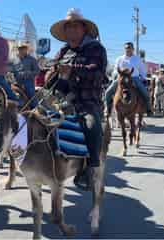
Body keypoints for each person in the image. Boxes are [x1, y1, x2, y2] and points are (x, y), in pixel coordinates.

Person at [46, 8, 107, 191]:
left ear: (83, 29)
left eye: (75, 26)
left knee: (91, 125)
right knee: (32, 119)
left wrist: (73, 69)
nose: (72, 30)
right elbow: (51, 78)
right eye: (68, 27)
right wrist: (52, 72)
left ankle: (90, 168)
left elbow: (97, 72)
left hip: (86, 101)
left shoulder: (95, 48)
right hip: (60, 99)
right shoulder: (63, 51)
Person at [105, 42, 152, 116]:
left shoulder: (137, 59)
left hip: (134, 78)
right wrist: (116, 75)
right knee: (108, 92)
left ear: (133, 49)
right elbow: (115, 69)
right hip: (122, 78)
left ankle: (148, 109)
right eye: (126, 48)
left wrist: (143, 77)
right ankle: (107, 109)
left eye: (129, 48)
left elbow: (142, 70)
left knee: (145, 92)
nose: (128, 49)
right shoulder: (120, 59)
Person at [11, 42, 40, 108]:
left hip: (28, 81)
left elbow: (37, 71)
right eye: (20, 49)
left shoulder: (32, 59)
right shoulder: (14, 60)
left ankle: (36, 108)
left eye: (23, 48)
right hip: (17, 82)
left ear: (26, 49)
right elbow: (12, 70)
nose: (21, 50)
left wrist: (28, 73)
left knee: (31, 94)